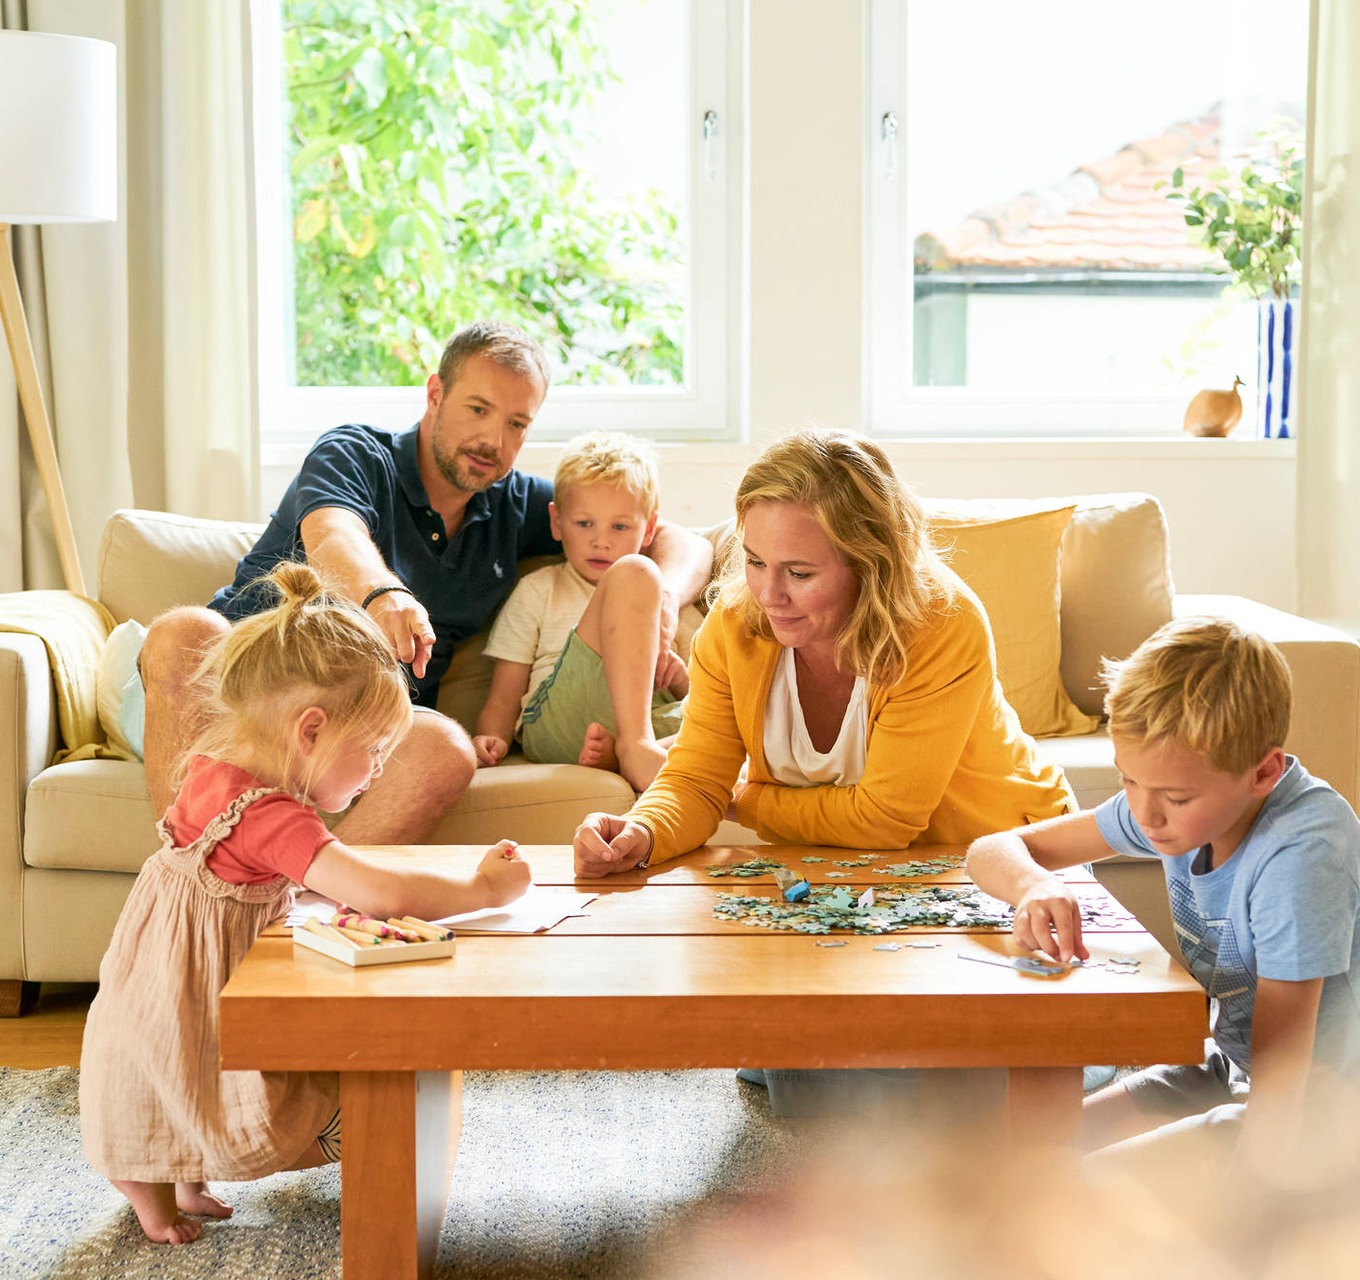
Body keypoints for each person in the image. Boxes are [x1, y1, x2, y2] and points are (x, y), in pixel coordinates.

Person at [79, 563, 532, 1246]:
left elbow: (276, 881)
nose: (380, 770)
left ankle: (173, 1179)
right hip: (195, 983)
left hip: (156, 972)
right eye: (375, 751)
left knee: (155, 1069)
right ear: (311, 730)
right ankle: (154, 1196)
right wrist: (481, 890)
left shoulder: (216, 769)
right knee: (242, 1090)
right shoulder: (270, 815)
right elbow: (380, 893)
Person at [135, 321, 712, 844]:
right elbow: (333, 536)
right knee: (182, 631)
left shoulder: (514, 508)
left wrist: (666, 593)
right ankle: (184, 871)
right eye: (478, 409)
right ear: (435, 393)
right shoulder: (356, 454)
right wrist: (383, 594)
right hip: (240, 693)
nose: (493, 440)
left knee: (447, 747)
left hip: (361, 728)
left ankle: (306, 904)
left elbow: (685, 541)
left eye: (516, 423)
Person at [573, 427, 1073, 878]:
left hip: (1007, 860)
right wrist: (642, 834)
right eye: (755, 561)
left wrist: (740, 798)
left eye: (800, 573)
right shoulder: (734, 625)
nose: (769, 595)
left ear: (869, 564)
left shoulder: (941, 622)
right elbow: (695, 778)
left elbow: (883, 821)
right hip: (855, 880)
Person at [966, 616, 1360, 1170]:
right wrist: (1035, 885)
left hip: (1325, 1115)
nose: (1144, 814)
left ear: (1263, 772)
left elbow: (1282, 1094)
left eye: (1173, 796)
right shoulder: (1175, 808)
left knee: (1064, 1195)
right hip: (1234, 1069)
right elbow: (991, 849)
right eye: (1128, 780)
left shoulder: (1301, 857)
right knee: (1022, 1161)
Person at [471, 431, 693, 791]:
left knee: (729, 724)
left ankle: (621, 752)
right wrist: (490, 736)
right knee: (636, 572)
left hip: (645, 718)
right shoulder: (539, 589)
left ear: (650, 528)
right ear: (557, 522)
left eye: (619, 526)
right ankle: (635, 747)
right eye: (584, 523)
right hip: (559, 721)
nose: (600, 540)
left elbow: (690, 697)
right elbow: (505, 693)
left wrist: (680, 680)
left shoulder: (658, 596)